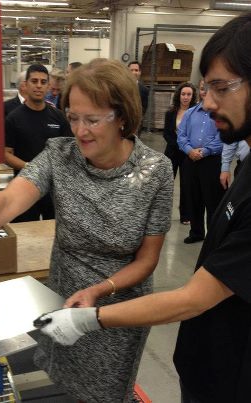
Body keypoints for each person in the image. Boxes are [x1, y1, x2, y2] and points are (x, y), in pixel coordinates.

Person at [0, 60, 173, 402]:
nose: (80, 131)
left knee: (106, 391)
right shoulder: (59, 155)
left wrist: (99, 291)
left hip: (116, 307)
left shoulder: (156, 170)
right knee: (66, 378)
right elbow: (8, 200)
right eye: (73, 117)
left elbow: (147, 259)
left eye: (92, 120)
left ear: (122, 117)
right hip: (64, 291)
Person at [36, 12, 251, 403]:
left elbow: (193, 296)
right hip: (208, 367)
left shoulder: (153, 170)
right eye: (73, 118)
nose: (208, 101)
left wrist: (90, 316)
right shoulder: (248, 165)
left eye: (221, 88)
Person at [4, 63, 72, 222]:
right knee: (24, 234)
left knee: (54, 231)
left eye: (43, 82)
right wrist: (31, 168)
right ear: (25, 85)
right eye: (34, 81)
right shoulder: (13, 118)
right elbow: (6, 154)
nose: (38, 86)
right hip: (24, 187)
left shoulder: (58, 117)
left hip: (53, 189)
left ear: (48, 86)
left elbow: (69, 148)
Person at [177, 79, 225, 243]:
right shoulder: (190, 113)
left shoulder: (220, 113)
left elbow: (222, 138)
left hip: (211, 162)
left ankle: (213, 236)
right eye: (202, 88)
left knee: (212, 200)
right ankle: (196, 232)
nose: (205, 91)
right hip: (191, 161)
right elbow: (181, 135)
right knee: (193, 198)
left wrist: (204, 151)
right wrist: (190, 150)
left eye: (208, 89)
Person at [163, 82, 197, 224]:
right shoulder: (171, 113)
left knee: (186, 185)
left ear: (192, 96)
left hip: (187, 154)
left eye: (189, 94)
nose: (185, 97)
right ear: (179, 95)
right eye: (183, 94)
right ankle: (163, 214)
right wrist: (178, 145)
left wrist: (186, 148)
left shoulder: (196, 113)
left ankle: (185, 215)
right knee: (167, 184)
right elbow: (166, 133)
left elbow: (195, 134)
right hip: (172, 151)